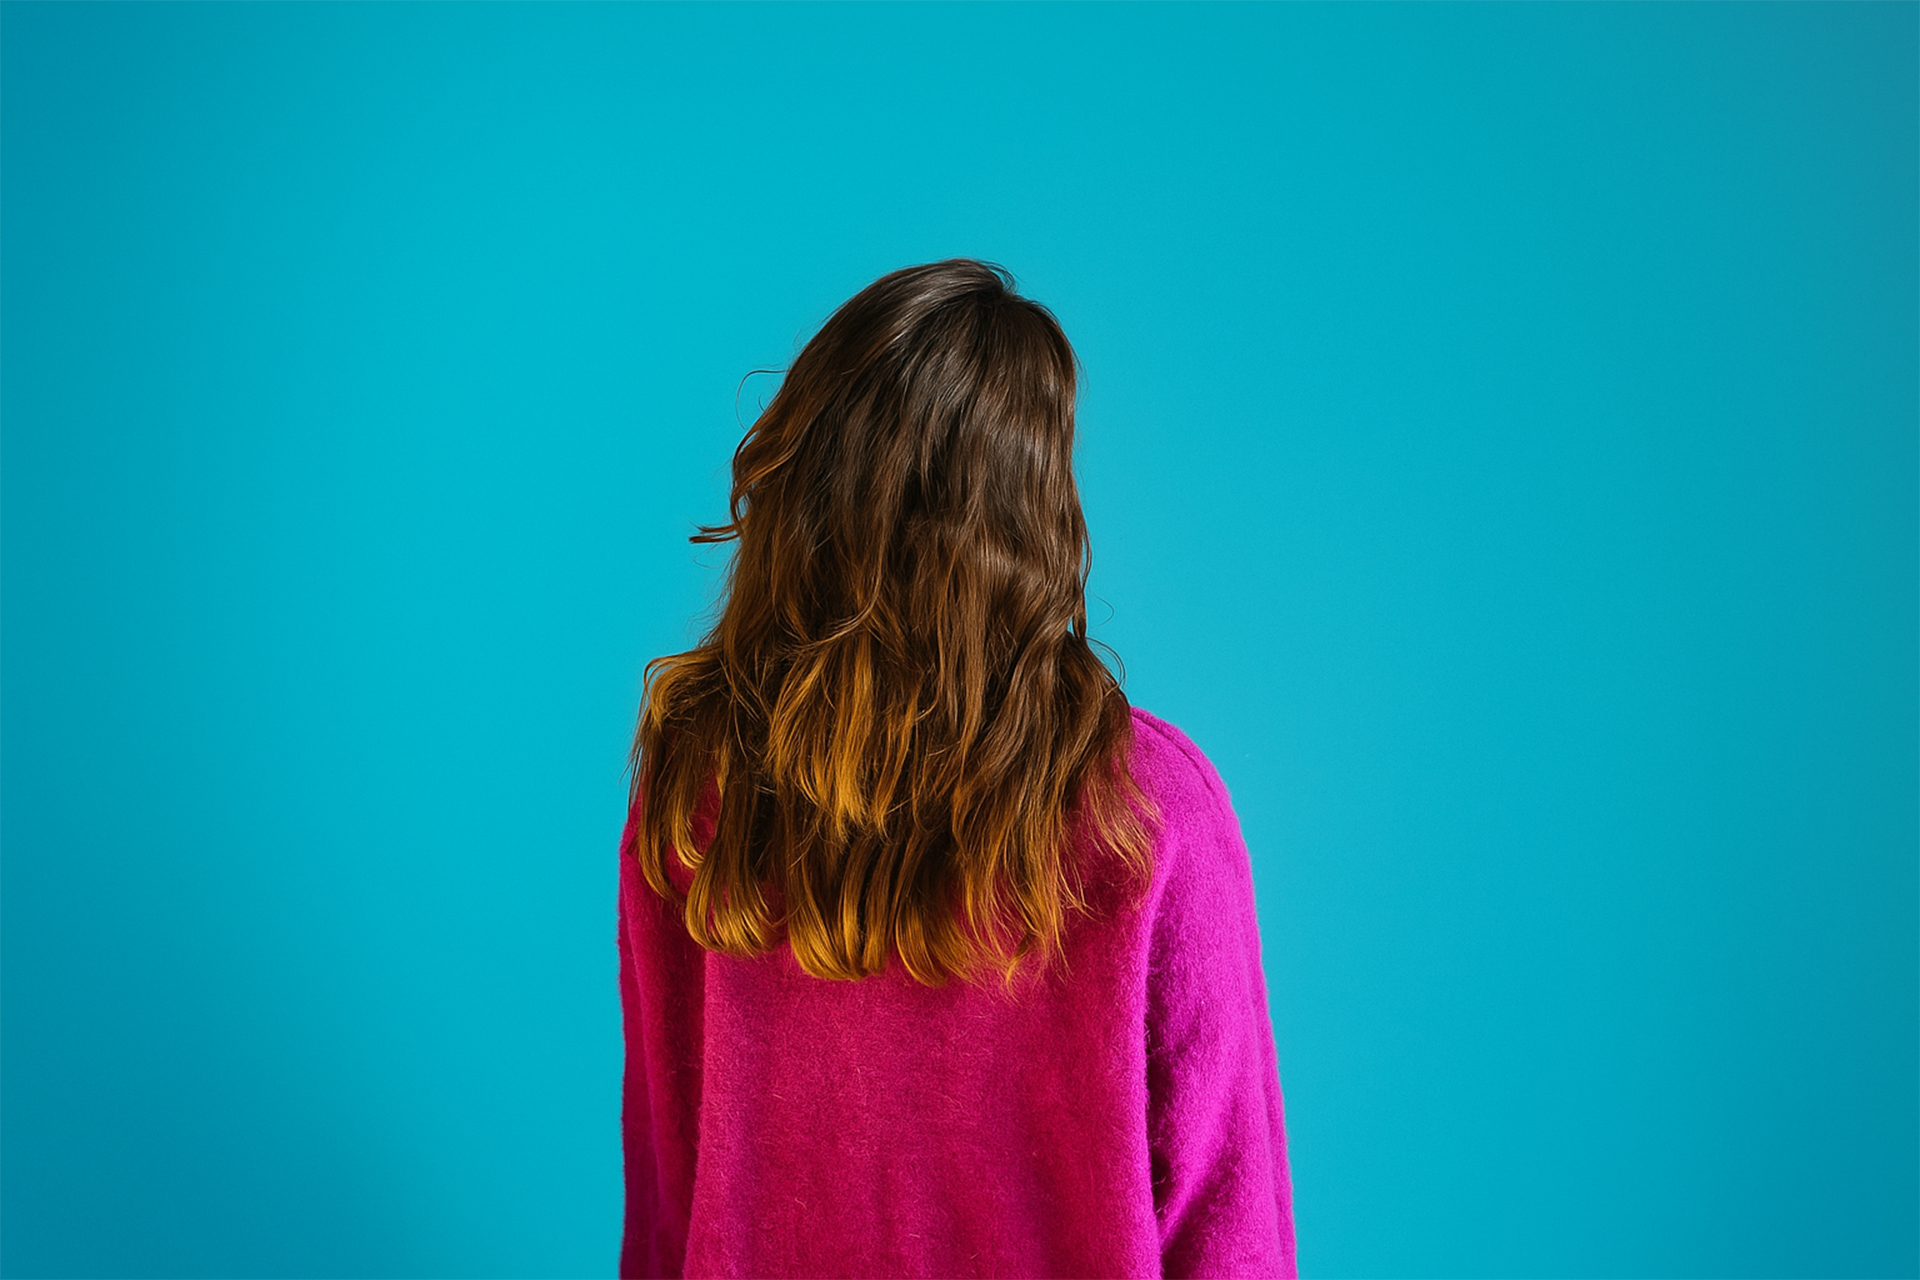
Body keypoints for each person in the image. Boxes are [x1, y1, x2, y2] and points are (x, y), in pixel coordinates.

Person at [617, 259, 1296, 1280]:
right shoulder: (1149, 811)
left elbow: (668, 1188)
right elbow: (1225, 1221)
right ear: (1037, 511)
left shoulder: (695, 787)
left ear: (804, 484)